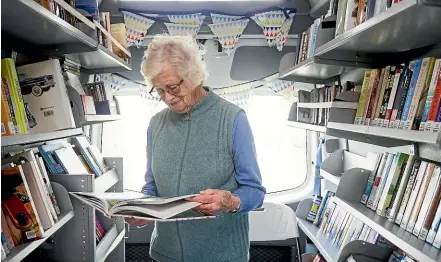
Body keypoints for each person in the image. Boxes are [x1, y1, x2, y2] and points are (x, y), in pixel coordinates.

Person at [125, 34, 266, 262]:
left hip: (222, 257)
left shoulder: (232, 119)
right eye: (159, 91)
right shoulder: (156, 124)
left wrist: (229, 201)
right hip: (164, 254)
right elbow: (151, 187)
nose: (168, 98)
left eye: (172, 87)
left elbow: (255, 192)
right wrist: (142, 211)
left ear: (193, 76)